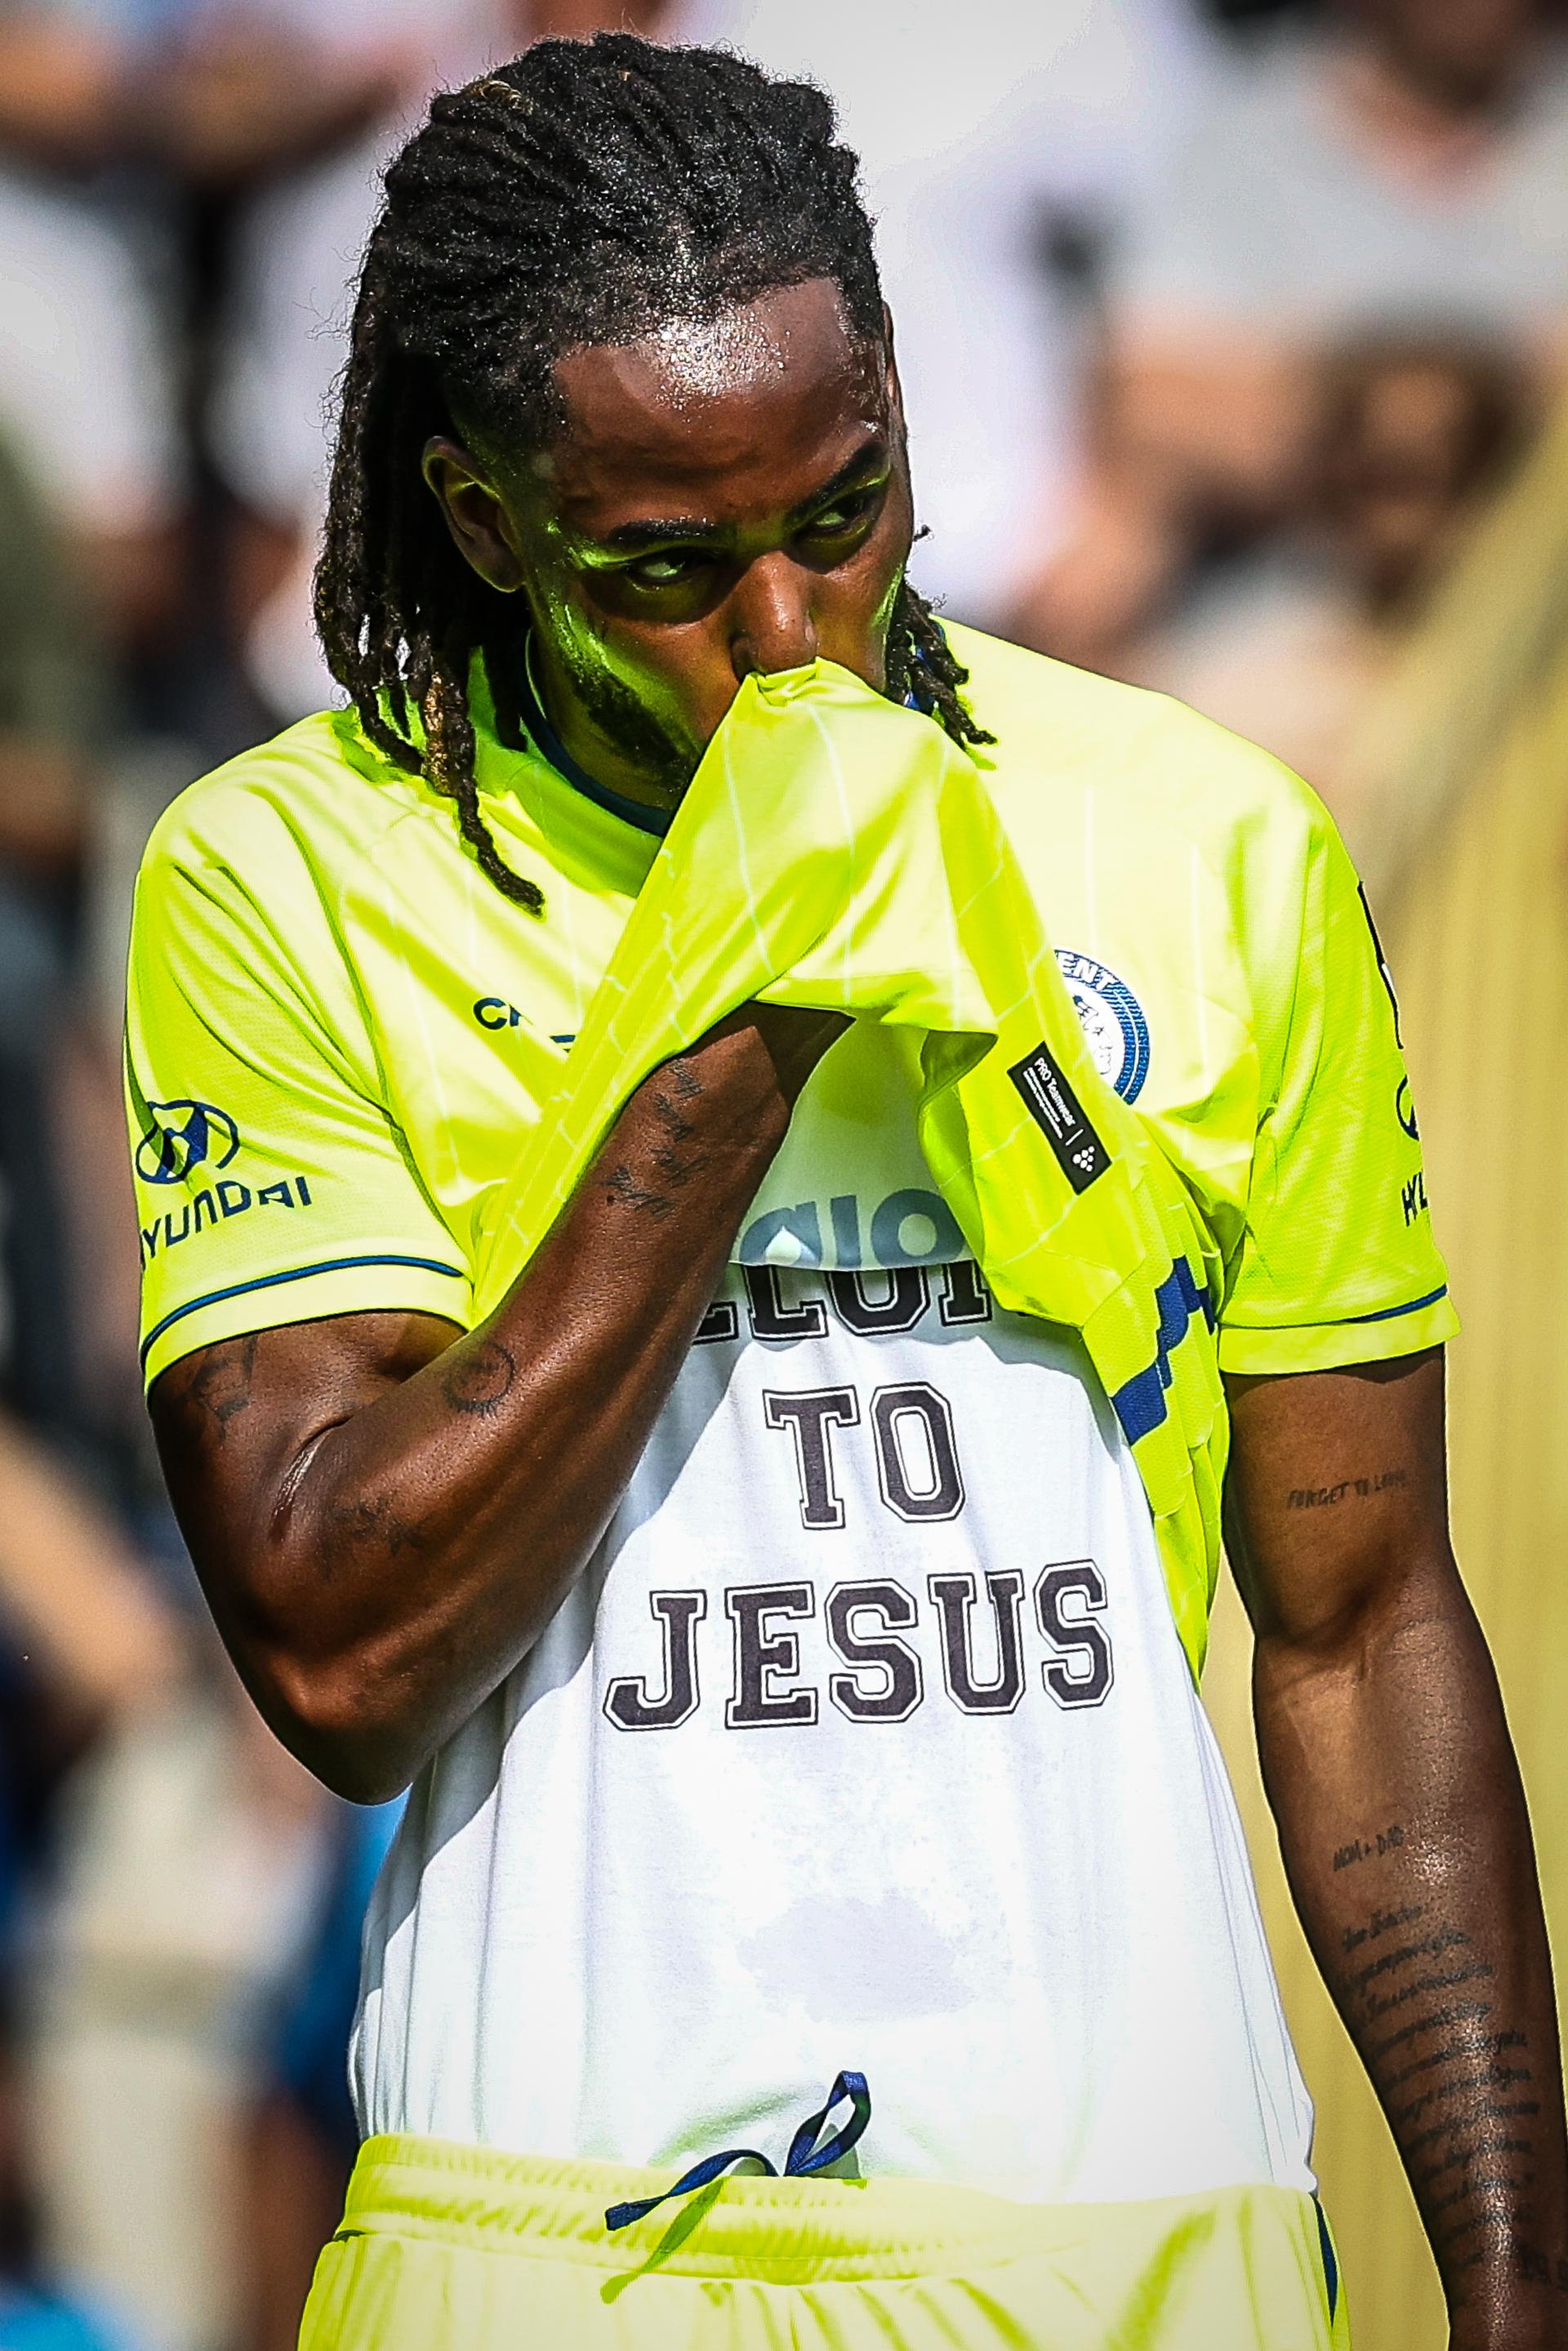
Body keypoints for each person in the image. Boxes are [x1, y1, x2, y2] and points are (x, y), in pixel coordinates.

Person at [122, 36, 1567, 2350]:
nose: (791, 627)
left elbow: (1365, 1610)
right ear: (485, 521)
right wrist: (752, 1000)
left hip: (1151, 2237)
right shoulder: (288, 879)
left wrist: (1513, 2279)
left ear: (895, 395)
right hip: (561, 2239)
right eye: (666, 568)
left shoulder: (1206, 842)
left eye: (846, 506)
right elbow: (344, 1649)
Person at [1024, 0, 1568, 670]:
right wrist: (1506, 396)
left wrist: (1298, 379)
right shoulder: (1242, 133)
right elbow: (1154, 408)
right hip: (1293, 615)